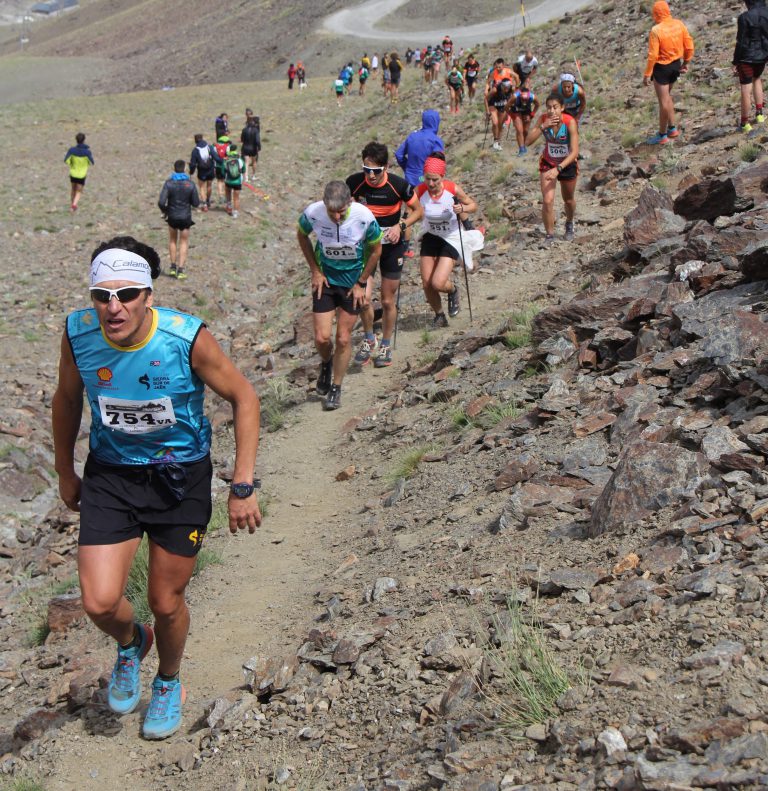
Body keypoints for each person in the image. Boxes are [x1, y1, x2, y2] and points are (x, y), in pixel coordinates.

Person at [51, 235, 261, 741]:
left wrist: (242, 483)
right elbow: (66, 399)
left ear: (148, 295)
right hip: (111, 475)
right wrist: (65, 470)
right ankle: (131, 643)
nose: (113, 306)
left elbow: (244, 397)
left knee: (167, 601)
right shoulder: (79, 333)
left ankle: (167, 680)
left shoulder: (185, 338)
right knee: (100, 603)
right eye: (102, 295)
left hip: (178, 479)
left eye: (125, 294)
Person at [296, 181, 382, 410]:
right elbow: (301, 235)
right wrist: (314, 270)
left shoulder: (364, 217)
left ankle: (336, 387)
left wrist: (361, 283)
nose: (335, 217)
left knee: (343, 338)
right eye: (331, 212)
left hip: (352, 283)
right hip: (325, 280)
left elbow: (376, 250)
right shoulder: (312, 213)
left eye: (341, 212)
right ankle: (326, 362)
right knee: (322, 338)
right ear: (324, 204)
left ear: (349, 202)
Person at [346, 142, 423, 368]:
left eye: (376, 171)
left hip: (391, 244)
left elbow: (418, 211)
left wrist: (401, 225)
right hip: (367, 245)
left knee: (388, 299)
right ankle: (369, 339)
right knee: (363, 298)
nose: (370, 175)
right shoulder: (354, 182)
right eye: (366, 169)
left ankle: (386, 344)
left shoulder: (399, 185)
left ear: (386, 167)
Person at [416, 154, 480, 327]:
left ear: (442, 177)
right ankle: (439, 316)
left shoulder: (452, 189)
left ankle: (452, 290)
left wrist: (463, 208)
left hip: (451, 237)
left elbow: (473, 205)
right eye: (427, 179)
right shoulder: (420, 190)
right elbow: (412, 210)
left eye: (435, 180)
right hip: (431, 236)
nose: (430, 184)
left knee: (438, 282)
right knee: (427, 283)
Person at [525, 93, 579, 243]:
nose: (551, 111)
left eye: (555, 107)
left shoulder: (569, 122)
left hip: (567, 164)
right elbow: (527, 142)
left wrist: (559, 169)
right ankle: (549, 234)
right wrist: (543, 127)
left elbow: (575, 151)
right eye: (548, 108)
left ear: (562, 107)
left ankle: (569, 222)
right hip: (548, 163)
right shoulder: (543, 119)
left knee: (568, 200)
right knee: (548, 200)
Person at [642, 0, 694, 144]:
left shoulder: (656, 30)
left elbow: (653, 55)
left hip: (662, 68)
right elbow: (689, 46)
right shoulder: (679, 24)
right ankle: (672, 128)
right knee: (667, 97)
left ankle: (662, 135)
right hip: (675, 65)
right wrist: (686, 63)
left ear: (656, 13)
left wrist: (647, 74)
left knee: (663, 101)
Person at [158, 160, 199, 279]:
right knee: (184, 242)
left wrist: (165, 210)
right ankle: (181, 269)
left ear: (174, 168)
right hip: (185, 217)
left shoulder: (168, 183)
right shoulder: (190, 184)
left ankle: (172, 266)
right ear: (184, 169)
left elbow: (161, 201)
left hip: (172, 216)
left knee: (172, 240)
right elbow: (196, 203)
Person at [732, 0, 768, 132]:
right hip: (762, 56)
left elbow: (740, 41)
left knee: (745, 90)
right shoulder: (766, 12)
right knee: (757, 79)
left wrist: (735, 61)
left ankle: (745, 123)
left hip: (747, 58)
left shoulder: (744, 17)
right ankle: (759, 114)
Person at [395, 109, 445, 187]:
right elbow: (438, 162)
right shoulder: (435, 140)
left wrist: (407, 168)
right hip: (426, 181)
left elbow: (399, 154)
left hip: (409, 179)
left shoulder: (412, 136)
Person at [64, 132, 94, 212]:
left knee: (73, 189)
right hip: (81, 174)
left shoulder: (71, 150)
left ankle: (72, 204)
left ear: (76, 140)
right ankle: (74, 205)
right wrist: (85, 164)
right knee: (79, 191)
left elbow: (66, 160)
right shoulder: (87, 152)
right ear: (84, 140)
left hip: (73, 173)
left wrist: (72, 163)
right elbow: (91, 163)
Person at [189, 134, 219, 212]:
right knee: (209, 185)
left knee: (202, 187)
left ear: (195, 140)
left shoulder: (195, 150)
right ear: (202, 139)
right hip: (210, 169)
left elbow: (193, 164)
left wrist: (191, 172)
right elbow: (216, 157)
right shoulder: (209, 147)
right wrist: (221, 162)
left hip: (202, 171)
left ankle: (204, 204)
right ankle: (208, 200)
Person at [486, 78, 516, 150]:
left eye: (508, 88)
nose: (506, 89)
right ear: (502, 86)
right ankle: (495, 141)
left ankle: (498, 141)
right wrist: (487, 111)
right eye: (505, 88)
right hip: (493, 105)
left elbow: (513, 98)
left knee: (500, 125)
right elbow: (485, 99)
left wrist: (512, 106)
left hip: (503, 106)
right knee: (495, 123)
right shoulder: (495, 90)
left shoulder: (512, 89)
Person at [510, 87, 539, 155]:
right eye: (522, 99)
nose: (524, 101)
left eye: (526, 100)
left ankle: (523, 145)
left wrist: (532, 114)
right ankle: (521, 149)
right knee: (519, 130)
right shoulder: (515, 97)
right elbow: (506, 107)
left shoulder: (533, 97)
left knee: (525, 131)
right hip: (516, 111)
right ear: (520, 96)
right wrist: (512, 116)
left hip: (526, 111)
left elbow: (537, 105)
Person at [223, 144, 245, 219]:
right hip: (237, 182)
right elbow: (244, 170)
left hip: (228, 181)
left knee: (228, 193)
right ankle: (235, 213)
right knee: (236, 198)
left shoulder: (226, 160)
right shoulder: (240, 160)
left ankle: (229, 207)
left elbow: (223, 172)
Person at [240, 116, 261, 182]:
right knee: (254, 161)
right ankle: (253, 176)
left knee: (246, 162)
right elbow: (257, 140)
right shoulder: (256, 130)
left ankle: (246, 177)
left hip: (245, 147)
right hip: (253, 148)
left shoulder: (244, 130)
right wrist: (259, 147)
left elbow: (242, 139)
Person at [213, 135, 232, 204]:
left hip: (217, 166)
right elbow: (229, 156)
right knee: (225, 181)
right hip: (225, 166)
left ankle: (220, 196)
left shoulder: (215, 147)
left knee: (219, 181)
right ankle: (226, 196)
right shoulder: (227, 147)